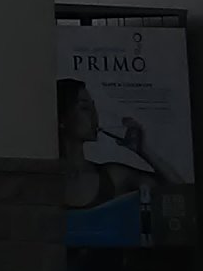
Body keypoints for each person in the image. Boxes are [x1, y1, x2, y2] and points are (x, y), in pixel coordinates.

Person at [56, 78, 184, 209]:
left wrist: (144, 150)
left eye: (93, 107)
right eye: (85, 108)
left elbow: (181, 191)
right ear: (61, 118)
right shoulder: (45, 177)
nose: (95, 115)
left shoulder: (111, 177)